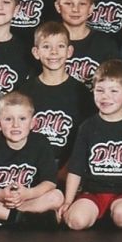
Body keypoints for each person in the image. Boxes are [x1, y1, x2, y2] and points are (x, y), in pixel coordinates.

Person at [62, 60, 122, 231]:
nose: (105, 96)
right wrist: (68, 201)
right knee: (76, 221)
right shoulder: (87, 127)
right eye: (100, 90)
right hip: (93, 192)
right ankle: (96, 215)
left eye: (113, 91)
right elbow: (75, 169)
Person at [0, 89, 64, 229]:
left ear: (33, 122)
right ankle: (23, 219)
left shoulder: (41, 143)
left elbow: (50, 183)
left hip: (28, 199)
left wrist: (28, 193)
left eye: (22, 119)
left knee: (57, 197)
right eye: (8, 119)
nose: (15, 125)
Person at [22, 20, 88, 167]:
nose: (54, 52)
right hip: (31, 167)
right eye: (46, 46)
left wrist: (65, 171)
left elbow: (84, 141)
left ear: (69, 51)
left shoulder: (82, 93)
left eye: (60, 46)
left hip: (67, 168)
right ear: (36, 52)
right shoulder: (25, 92)